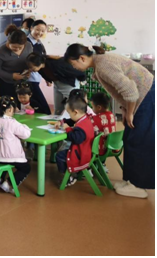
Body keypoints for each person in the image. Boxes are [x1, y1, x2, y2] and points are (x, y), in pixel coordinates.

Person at [65, 43, 154, 198]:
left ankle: (139, 186)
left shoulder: (103, 66)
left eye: (74, 64)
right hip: (141, 95)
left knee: (138, 140)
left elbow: (130, 91)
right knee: (129, 138)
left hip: (146, 95)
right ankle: (131, 181)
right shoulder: (99, 62)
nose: (74, 68)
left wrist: (130, 112)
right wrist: (125, 109)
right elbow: (122, 91)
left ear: (82, 58)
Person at [0, 96, 31, 193]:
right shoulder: (12, 122)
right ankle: (8, 183)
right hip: (11, 156)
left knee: (2, 162)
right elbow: (26, 134)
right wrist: (25, 126)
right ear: (10, 109)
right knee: (26, 168)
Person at [55, 95, 95, 188]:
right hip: (85, 151)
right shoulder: (85, 118)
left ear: (76, 112)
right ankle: (71, 174)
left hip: (80, 155)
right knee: (62, 153)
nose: (69, 116)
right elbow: (71, 121)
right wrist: (62, 122)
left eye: (69, 113)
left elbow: (75, 138)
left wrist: (68, 129)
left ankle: (68, 176)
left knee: (59, 155)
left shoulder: (81, 127)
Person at [0, 25, 33, 100]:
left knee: (22, 102)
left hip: (22, 81)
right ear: (8, 42)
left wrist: (29, 71)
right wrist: (12, 76)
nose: (17, 49)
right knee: (6, 103)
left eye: (20, 47)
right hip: (6, 82)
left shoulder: (29, 46)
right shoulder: (2, 50)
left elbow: (30, 60)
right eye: (14, 47)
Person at [25, 20, 51, 114]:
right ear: (31, 28)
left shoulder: (39, 43)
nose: (40, 33)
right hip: (29, 79)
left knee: (35, 106)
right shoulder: (26, 42)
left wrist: (47, 77)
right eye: (37, 29)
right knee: (44, 108)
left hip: (36, 77)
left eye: (43, 31)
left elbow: (42, 61)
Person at [89, 92, 117, 157]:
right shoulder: (111, 115)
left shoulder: (95, 119)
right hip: (112, 147)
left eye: (92, 107)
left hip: (100, 150)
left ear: (99, 107)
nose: (92, 109)